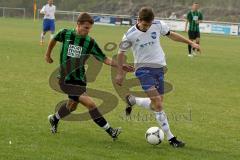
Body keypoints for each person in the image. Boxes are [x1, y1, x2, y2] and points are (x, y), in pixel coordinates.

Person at [115, 7, 200, 148]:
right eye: (144, 25)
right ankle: (171, 138)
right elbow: (121, 52)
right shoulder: (129, 35)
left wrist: (190, 43)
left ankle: (133, 100)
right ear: (138, 20)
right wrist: (119, 72)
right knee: (158, 103)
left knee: (156, 105)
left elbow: (171, 35)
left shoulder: (158, 25)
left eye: (149, 25)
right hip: (143, 70)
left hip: (159, 68)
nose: (147, 27)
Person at [45, 12, 134, 140]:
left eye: (90, 28)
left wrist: (121, 65)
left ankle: (54, 119)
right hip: (66, 80)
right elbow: (54, 39)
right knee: (91, 104)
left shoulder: (90, 42)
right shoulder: (65, 33)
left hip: (80, 79)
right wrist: (48, 54)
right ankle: (111, 131)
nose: (88, 31)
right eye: (86, 28)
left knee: (72, 106)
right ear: (78, 24)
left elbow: (104, 58)